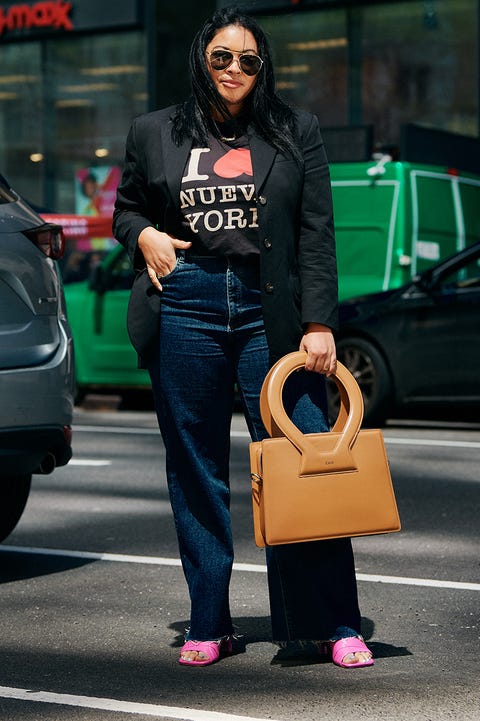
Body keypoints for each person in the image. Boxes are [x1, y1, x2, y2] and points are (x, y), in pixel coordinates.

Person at [113, 6, 374, 669]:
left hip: (271, 308)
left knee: (302, 456)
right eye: (222, 57)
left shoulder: (293, 131)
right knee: (195, 466)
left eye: (249, 61)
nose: (234, 69)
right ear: (203, 58)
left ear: (264, 69)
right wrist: (142, 234)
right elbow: (129, 208)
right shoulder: (154, 131)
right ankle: (210, 619)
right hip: (188, 300)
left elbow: (316, 229)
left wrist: (320, 322)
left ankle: (326, 621)